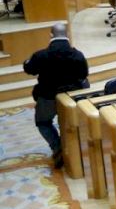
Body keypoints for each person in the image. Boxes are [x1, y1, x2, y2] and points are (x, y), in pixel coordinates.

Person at [23, 24, 88, 167]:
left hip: (48, 97)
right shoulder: (78, 55)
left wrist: (26, 62)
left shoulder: (40, 56)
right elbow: (84, 74)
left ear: (51, 35)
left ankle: (58, 147)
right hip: (73, 98)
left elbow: (29, 69)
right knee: (76, 122)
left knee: (43, 123)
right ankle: (78, 148)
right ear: (67, 35)